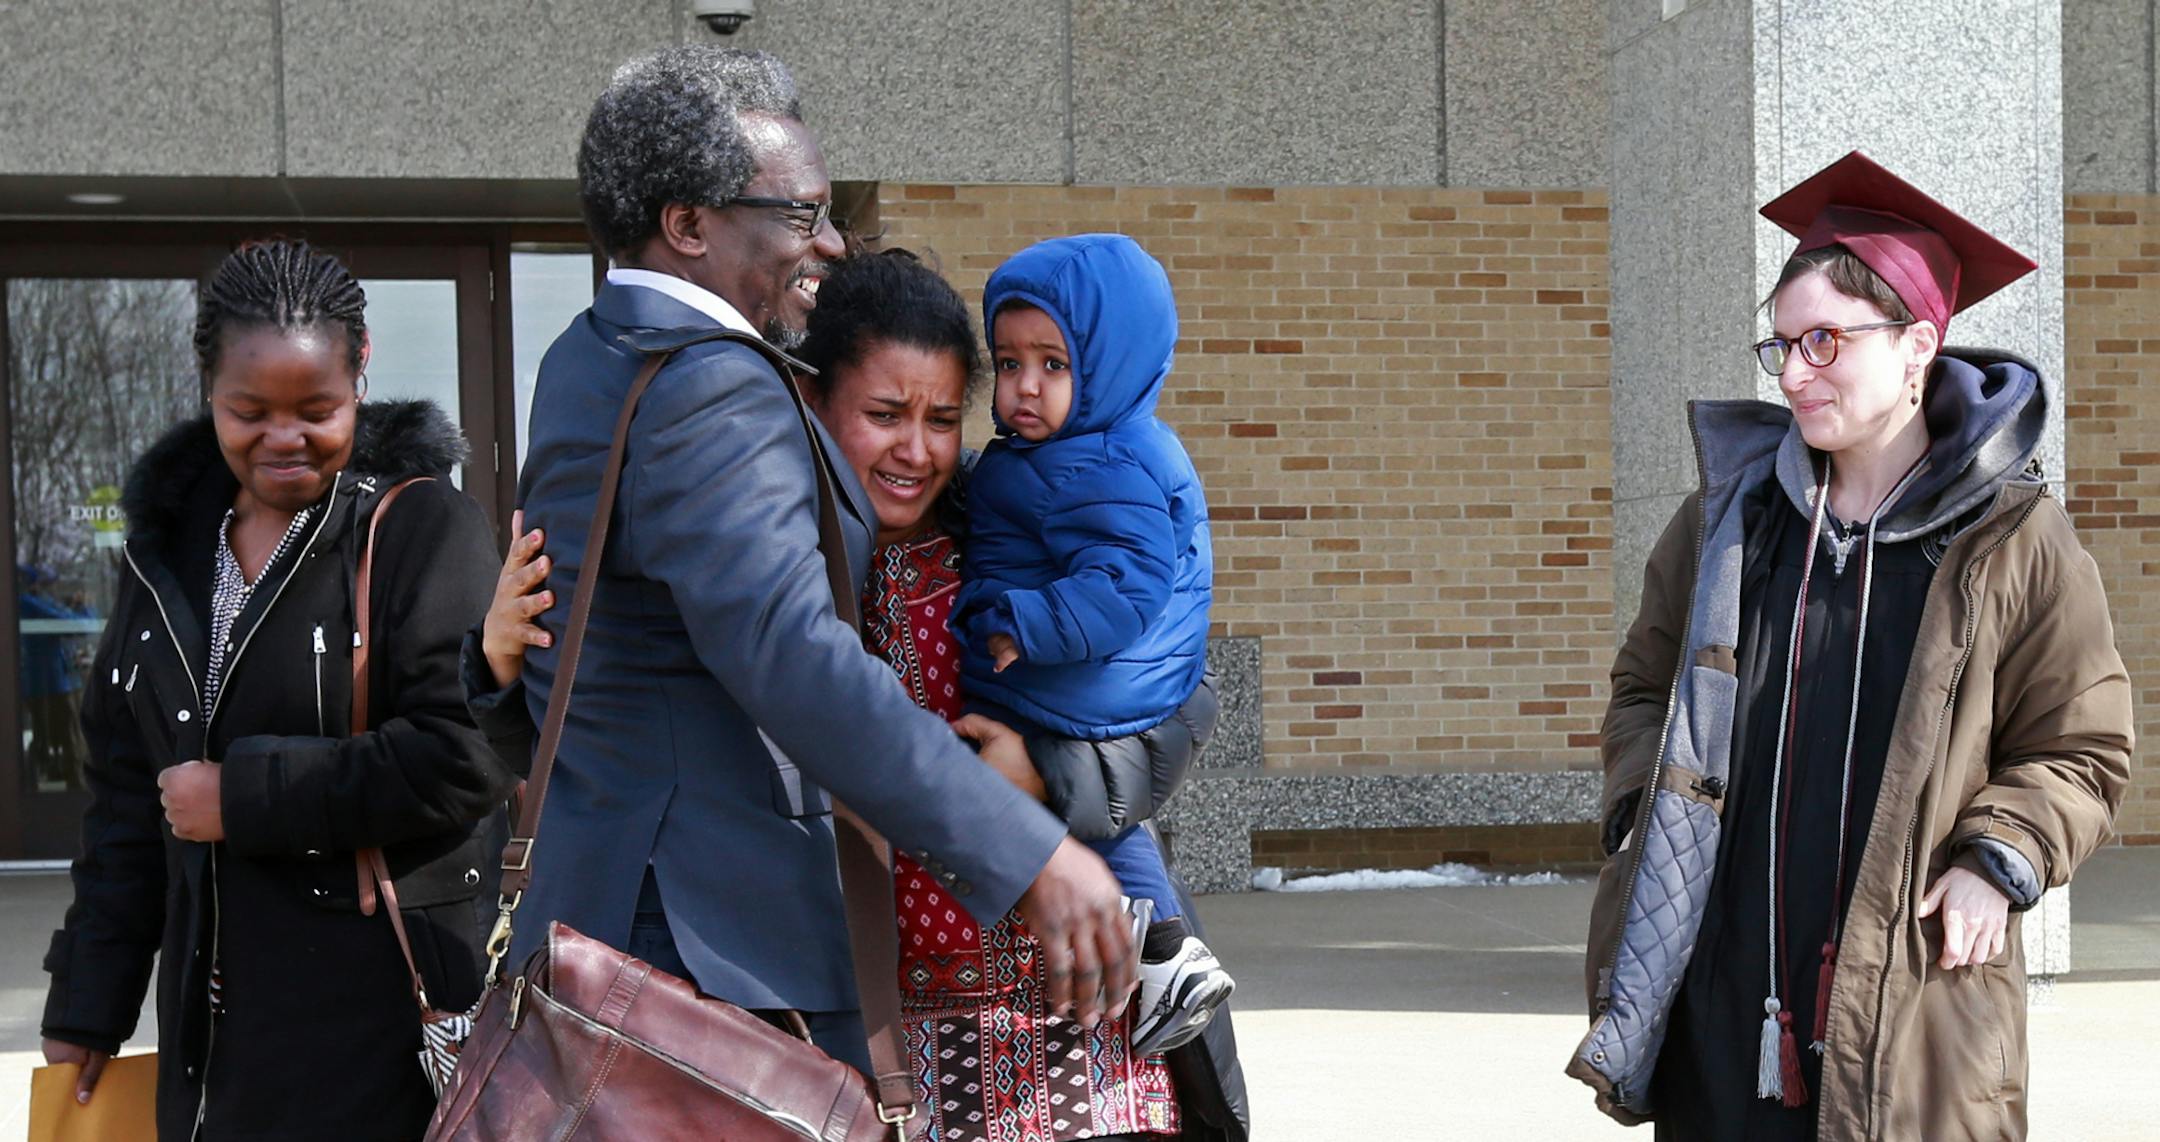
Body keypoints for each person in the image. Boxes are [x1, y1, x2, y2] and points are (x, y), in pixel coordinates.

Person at [475, 248, 1250, 1141]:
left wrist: (1048, 773)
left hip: (1073, 1015)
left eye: (942, 418)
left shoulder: (1013, 543)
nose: (916, 451)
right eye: (884, 415)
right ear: (810, 405)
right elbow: (618, 743)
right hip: (867, 1039)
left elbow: (1180, 700)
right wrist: (499, 665)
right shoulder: (755, 574)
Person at [494, 45, 1133, 1080]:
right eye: (799, 214)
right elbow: (793, 653)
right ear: (689, 224)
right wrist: (1027, 849)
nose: (829, 243)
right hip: (705, 963)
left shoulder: (586, 354)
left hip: (611, 929)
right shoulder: (711, 386)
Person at [1568, 152, 2132, 1141]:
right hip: (1723, 986)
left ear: (1918, 345)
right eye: (1780, 345)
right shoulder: (1729, 524)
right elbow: (1641, 689)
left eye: (1825, 340)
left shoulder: (2015, 540)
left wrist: (1998, 856)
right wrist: (1645, 809)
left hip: (1913, 993)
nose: (1794, 373)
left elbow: (2081, 744)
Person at [38, 239, 512, 1139]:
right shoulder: (165, 553)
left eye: (316, 409)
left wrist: (242, 797)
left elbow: (466, 755)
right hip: (212, 1049)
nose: (283, 439)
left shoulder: (419, 530)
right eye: (248, 411)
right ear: (207, 389)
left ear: (361, 374)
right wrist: (88, 1003)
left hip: (376, 1037)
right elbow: (128, 808)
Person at [953, 233, 1237, 1056]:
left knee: (1081, 819)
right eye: (1008, 365)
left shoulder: (1110, 463)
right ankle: (1164, 949)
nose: (1024, 388)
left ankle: (1166, 955)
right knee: (1102, 828)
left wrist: (1026, 624)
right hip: (1089, 683)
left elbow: (1126, 584)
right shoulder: (1066, 453)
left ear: (1108, 364)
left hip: (1083, 680)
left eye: (1053, 364)